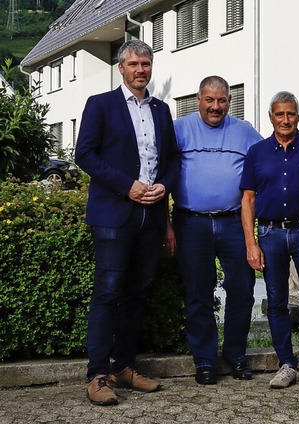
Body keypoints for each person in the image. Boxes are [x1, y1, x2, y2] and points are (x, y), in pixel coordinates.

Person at [75, 40, 180, 406]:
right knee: (107, 293)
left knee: (136, 293)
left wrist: (164, 186)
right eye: (133, 63)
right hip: (114, 214)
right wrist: (128, 187)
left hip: (151, 216)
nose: (140, 70)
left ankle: (124, 366)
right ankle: (97, 374)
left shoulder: (162, 110)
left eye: (146, 64)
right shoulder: (100, 105)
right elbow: (84, 154)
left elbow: (173, 159)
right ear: (121, 68)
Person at [165, 76, 262, 385]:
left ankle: (236, 355)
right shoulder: (180, 129)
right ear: (198, 99)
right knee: (198, 294)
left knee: (242, 290)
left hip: (235, 222)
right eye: (210, 100)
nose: (215, 106)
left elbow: (268, 161)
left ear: (229, 102)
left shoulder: (244, 131)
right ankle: (205, 360)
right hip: (191, 222)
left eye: (222, 100)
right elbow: (160, 170)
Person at [240, 91, 299, 389]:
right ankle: (286, 363)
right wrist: (250, 242)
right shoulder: (257, 152)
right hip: (269, 233)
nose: (285, 120)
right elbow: (248, 199)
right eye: (279, 114)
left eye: (290, 114)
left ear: (298, 116)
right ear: (271, 117)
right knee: (277, 300)